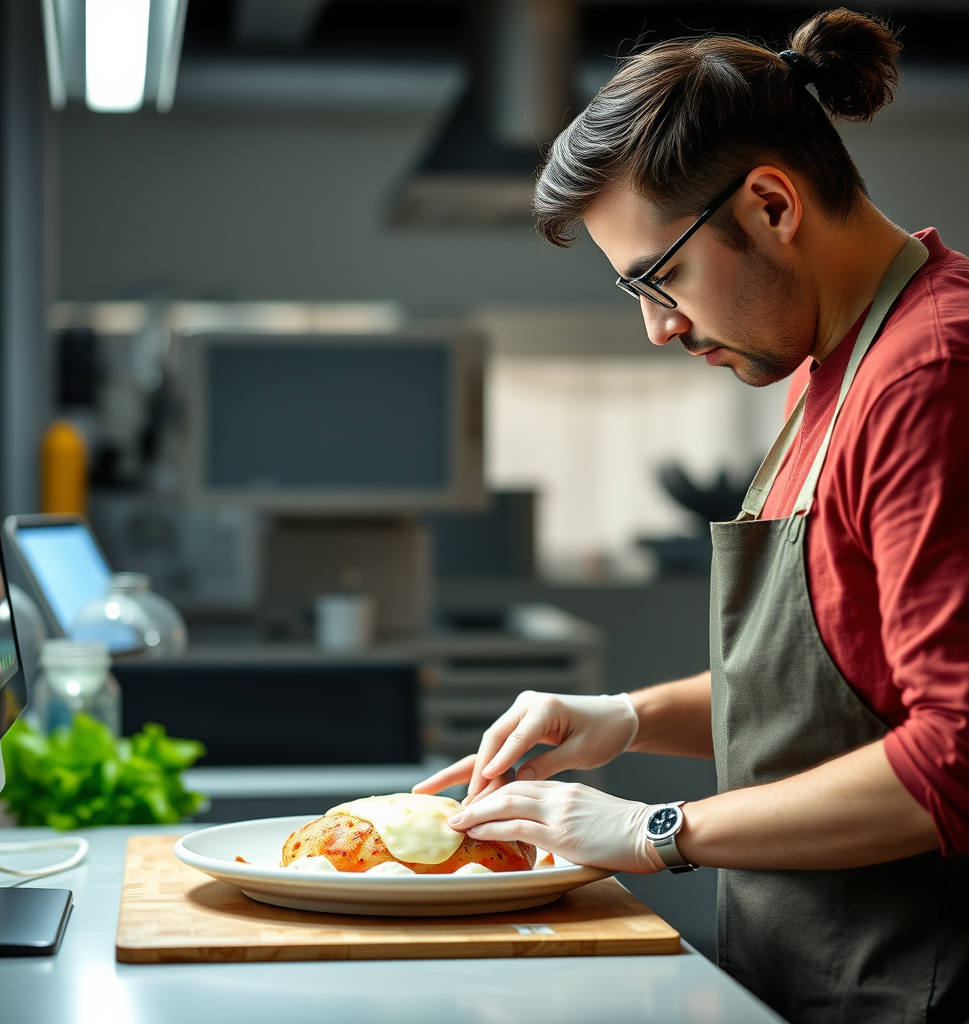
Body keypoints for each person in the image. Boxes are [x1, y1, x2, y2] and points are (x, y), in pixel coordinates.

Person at [415, 9, 969, 1023]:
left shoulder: (929, 375)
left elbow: (956, 755)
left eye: (658, 277)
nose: (657, 327)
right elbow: (830, 687)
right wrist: (621, 718)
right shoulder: (832, 369)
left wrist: (655, 829)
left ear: (768, 203)